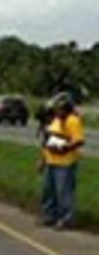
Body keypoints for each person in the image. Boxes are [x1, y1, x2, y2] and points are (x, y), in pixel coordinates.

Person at [40, 92, 85, 229]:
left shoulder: (73, 121)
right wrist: (42, 159)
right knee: (48, 191)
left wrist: (65, 147)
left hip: (65, 163)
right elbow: (46, 140)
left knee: (63, 192)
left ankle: (66, 219)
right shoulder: (56, 120)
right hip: (51, 160)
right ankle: (50, 216)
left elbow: (79, 141)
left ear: (66, 108)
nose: (57, 112)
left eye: (59, 109)